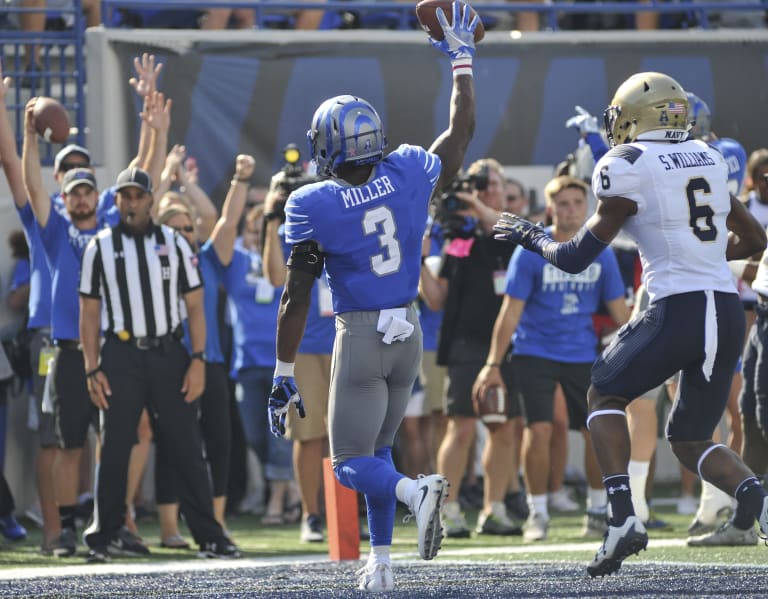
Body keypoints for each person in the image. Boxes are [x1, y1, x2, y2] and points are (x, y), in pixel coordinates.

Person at [493, 71, 768, 577]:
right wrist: (704, 254)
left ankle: (622, 517)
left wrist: (533, 237)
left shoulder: (628, 163)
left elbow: (575, 256)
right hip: (725, 312)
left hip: (678, 309)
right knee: (689, 438)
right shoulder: (708, 155)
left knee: (603, 394)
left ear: (640, 117)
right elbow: (753, 241)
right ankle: (756, 495)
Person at [268, 2, 477, 591]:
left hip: (359, 335)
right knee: (377, 454)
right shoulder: (409, 169)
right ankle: (381, 562)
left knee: (350, 464)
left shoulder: (311, 203)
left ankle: (416, 491)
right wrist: (461, 58)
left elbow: (297, 296)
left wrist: (283, 371)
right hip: (408, 331)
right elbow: (460, 133)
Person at [79, 167, 239, 563]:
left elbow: (196, 307)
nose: (132, 202)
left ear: (152, 199)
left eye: (138, 195)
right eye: (125, 196)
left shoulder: (174, 242)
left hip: (169, 353)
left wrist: (198, 359)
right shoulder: (99, 246)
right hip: (120, 354)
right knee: (115, 444)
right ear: (116, 200)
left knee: (186, 443)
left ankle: (209, 533)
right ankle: (107, 532)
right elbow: (88, 312)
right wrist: (91, 367)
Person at [473, 175, 628, 543]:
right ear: (550, 207)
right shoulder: (531, 250)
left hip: (582, 352)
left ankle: (595, 507)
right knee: (538, 429)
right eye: (563, 203)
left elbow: (621, 313)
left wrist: (645, 351)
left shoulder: (600, 252)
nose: (570, 210)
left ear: (587, 207)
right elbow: (510, 312)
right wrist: (493, 363)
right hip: (534, 351)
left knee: (595, 430)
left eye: (577, 202)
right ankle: (537, 511)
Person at [418, 158, 525, 539]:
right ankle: (449, 508)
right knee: (460, 426)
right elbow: (435, 300)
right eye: (480, 188)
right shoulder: (459, 239)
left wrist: (478, 206)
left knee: (502, 428)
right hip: (465, 343)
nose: (486, 193)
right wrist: (417, 257)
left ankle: (493, 509)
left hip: (506, 345)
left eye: (491, 185)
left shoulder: (511, 232)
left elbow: (504, 227)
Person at [261, 172, 336, 543]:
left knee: (350, 434)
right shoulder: (286, 232)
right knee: (308, 435)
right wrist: (272, 219)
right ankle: (312, 515)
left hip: (344, 338)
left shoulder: (341, 222)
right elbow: (276, 277)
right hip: (305, 346)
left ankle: (348, 511)